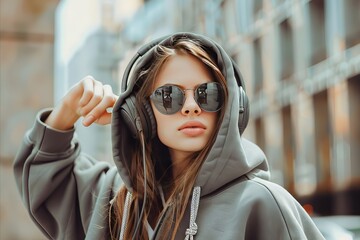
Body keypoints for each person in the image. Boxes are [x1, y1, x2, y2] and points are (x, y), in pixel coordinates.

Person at [13, 32, 324, 240]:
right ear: (141, 115)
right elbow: (45, 179)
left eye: (208, 94)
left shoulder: (263, 204)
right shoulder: (115, 201)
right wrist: (67, 111)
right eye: (169, 97)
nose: (190, 107)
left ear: (231, 107)